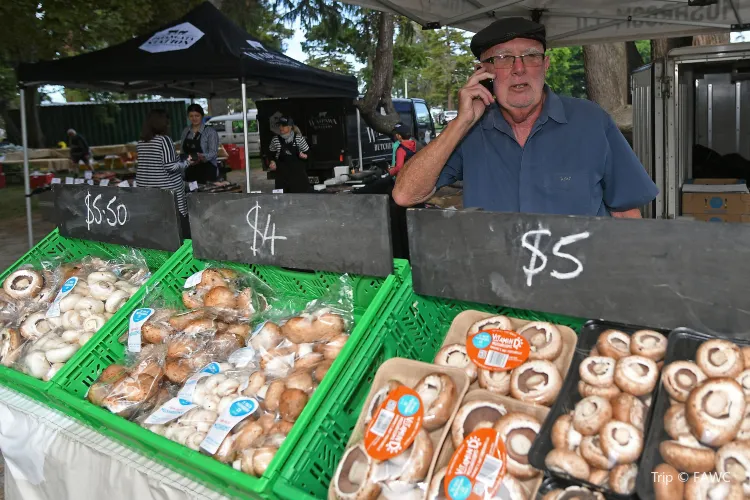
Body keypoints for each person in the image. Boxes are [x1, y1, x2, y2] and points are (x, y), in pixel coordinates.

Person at [392, 18, 658, 218]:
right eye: (503, 58)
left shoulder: (591, 121)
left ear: (545, 65)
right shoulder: (471, 132)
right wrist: (460, 123)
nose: (518, 69)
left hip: (578, 286)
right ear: (483, 72)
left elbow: (626, 213)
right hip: (495, 287)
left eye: (530, 56)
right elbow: (405, 195)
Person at [136, 109, 190, 237]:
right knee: (178, 228)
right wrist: (187, 163)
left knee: (157, 227)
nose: (169, 125)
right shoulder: (163, 140)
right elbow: (170, 167)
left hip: (148, 191)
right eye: (167, 122)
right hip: (167, 192)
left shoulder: (141, 142)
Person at [268, 117, 311, 193]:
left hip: (298, 176)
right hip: (281, 177)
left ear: (290, 127)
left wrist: (305, 156)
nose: (281, 127)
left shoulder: (299, 138)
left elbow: (309, 153)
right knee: (281, 200)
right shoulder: (275, 140)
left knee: (299, 198)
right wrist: (272, 161)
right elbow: (271, 154)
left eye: (283, 125)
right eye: (280, 125)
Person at [179, 103, 220, 184]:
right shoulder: (185, 131)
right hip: (190, 171)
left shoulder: (210, 132)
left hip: (207, 171)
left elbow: (213, 153)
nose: (194, 118)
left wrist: (201, 157)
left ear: (202, 116)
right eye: (191, 116)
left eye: (197, 115)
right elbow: (182, 151)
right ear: (188, 117)